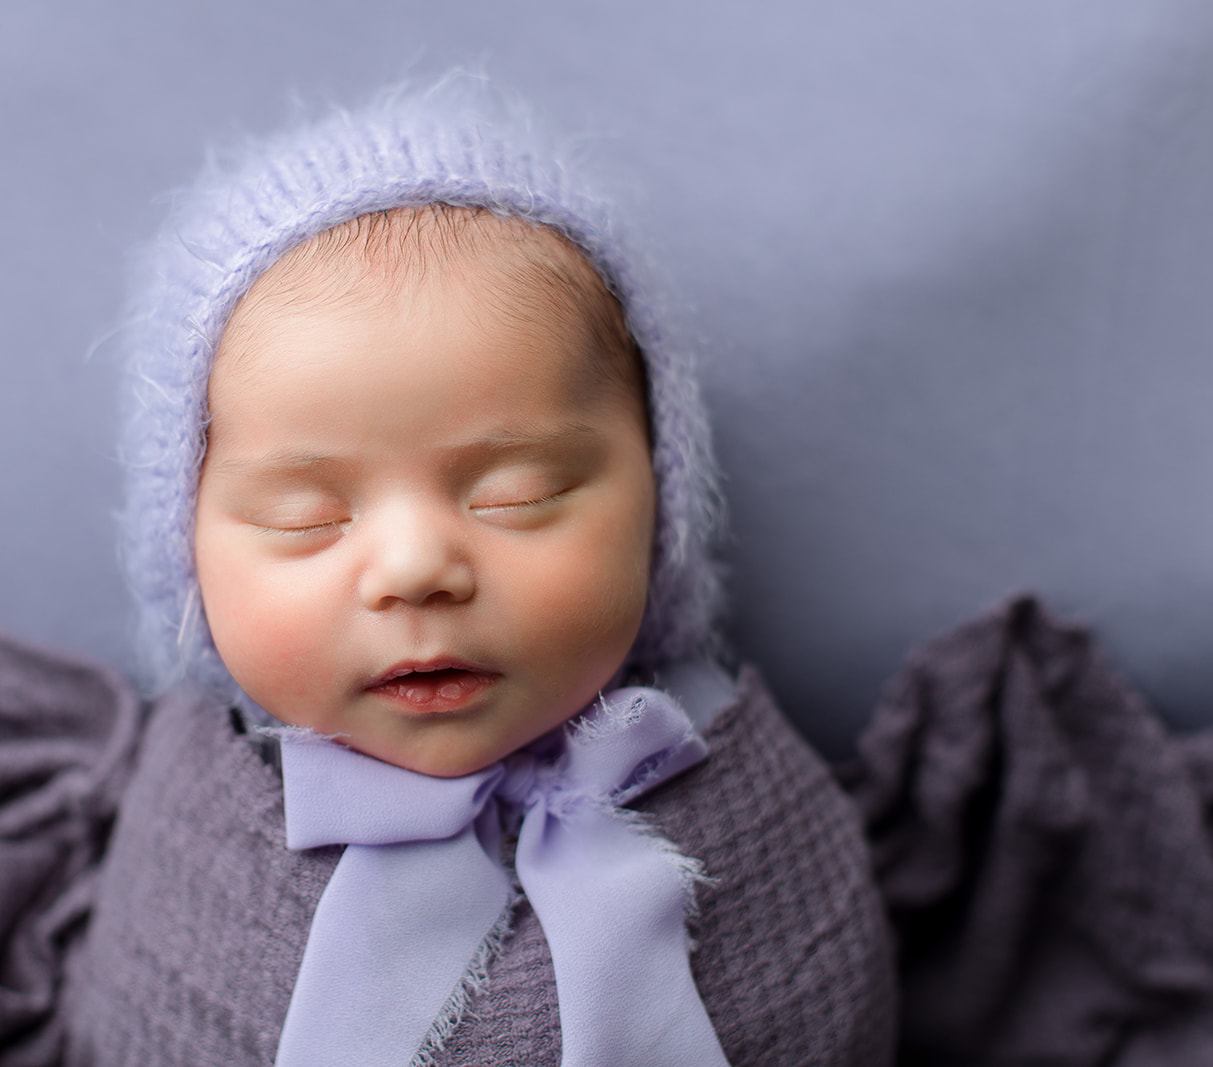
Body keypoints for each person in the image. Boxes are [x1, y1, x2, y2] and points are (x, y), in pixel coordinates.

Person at [68, 83, 895, 1066]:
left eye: (517, 492)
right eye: (307, 514)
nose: (416, 569)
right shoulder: (197, 858)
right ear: (187, 549)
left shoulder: (756, 821)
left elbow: (822, 1008)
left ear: (659, 499)